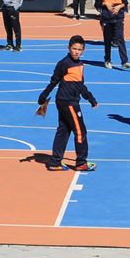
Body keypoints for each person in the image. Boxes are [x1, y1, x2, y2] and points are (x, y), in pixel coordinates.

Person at [37, 35, 98, 171]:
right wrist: (44, 95)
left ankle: (55, 161)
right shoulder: (64, 63)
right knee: (80, 131)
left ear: (83, 50)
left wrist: (90, 98)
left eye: (80, 49)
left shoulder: (80, 65)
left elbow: (80, 85)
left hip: (70, 101)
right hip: (68, 102)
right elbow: (54, 81)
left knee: (63, 130)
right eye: (74, 49)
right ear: (69, 48)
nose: (76, 52)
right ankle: (81, 162)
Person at [94, 0, 130, 70]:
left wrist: (120, 6)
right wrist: (105, 4)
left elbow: (125, 2)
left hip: (118, 18)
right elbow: (97, 2)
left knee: (120, 39)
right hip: (107, 18)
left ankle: (124, 61)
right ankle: (107, 60)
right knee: (107, 40)